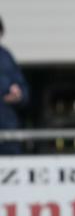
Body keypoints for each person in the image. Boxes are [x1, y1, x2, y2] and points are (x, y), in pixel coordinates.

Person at [0, 16, 29, 154]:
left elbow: (23, 90)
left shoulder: (6, 57)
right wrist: (5, 89)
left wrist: (19, 96)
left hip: (7, 134)